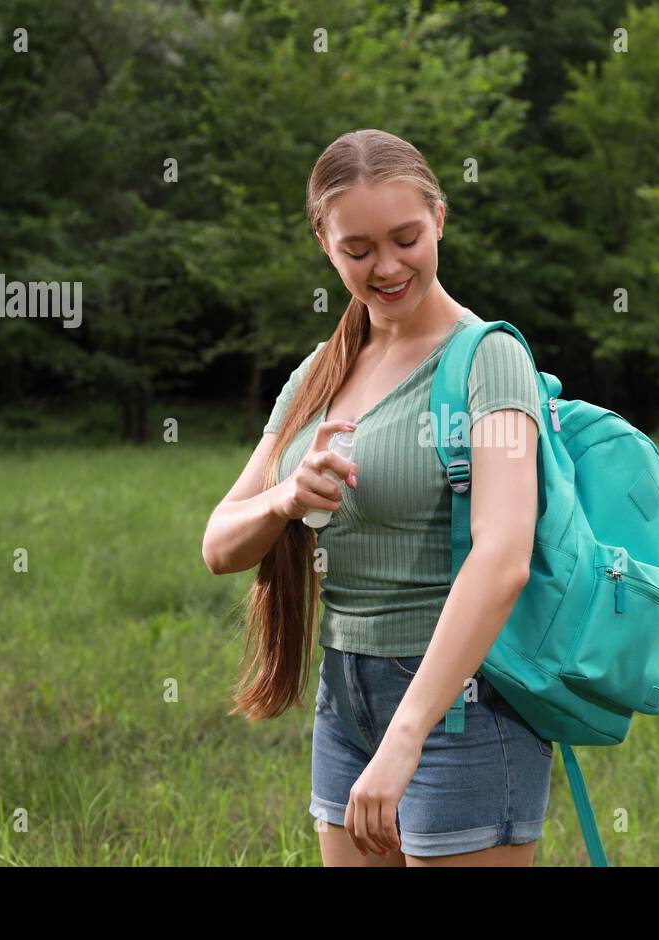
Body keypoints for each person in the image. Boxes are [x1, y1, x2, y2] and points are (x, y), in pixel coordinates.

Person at [201, 129, 552, 867]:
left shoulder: (491, 361)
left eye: (405, 238)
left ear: (440, 220)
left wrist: (406, 738)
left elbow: (503, 556)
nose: (386, 266)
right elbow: (219, 546)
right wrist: (287, 498)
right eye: (358, 250)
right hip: (347, 693)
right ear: (325, 247)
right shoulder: (319, 374)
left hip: (462, 704)